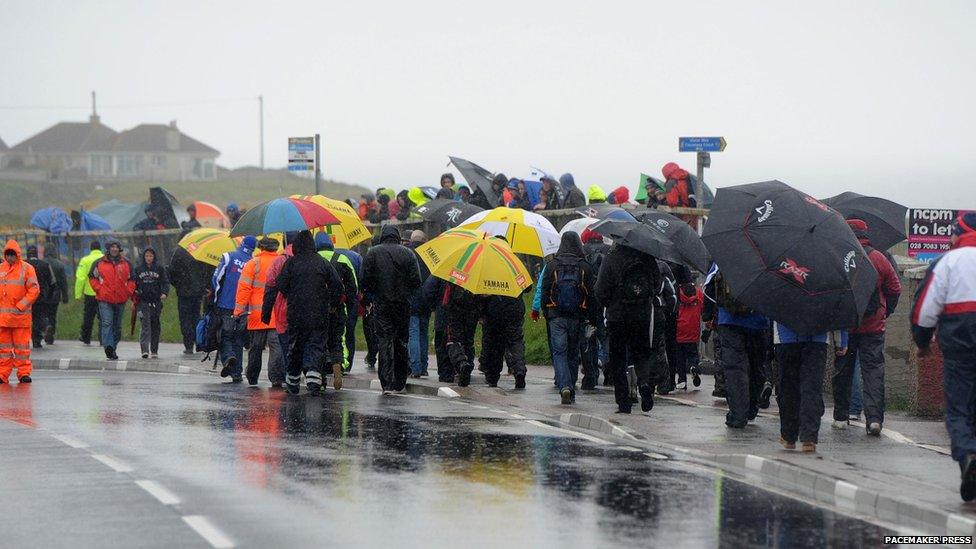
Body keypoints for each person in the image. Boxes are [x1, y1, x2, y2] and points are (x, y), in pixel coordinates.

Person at [912, 212, 976, 500]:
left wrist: (922, 342)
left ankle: (968, 454)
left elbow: (925, 310)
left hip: (960, 345)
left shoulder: (947, 262)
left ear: (959, 233)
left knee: (959, 408)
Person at [832, 218, 902, 436]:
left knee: (843, 371)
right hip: (873, 328)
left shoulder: (840, 256)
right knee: (873, 372)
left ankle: (841, 417)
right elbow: (895, 288)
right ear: (865, 234)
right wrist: (884, 311)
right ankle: (874, 420)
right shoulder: (878, 257)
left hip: (846, 326)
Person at [596, 241, 664, 413]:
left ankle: (623, 402)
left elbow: (600, 290)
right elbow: (657, 284)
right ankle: (644, 383)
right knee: (641, 354)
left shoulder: (611, 258)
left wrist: (609, 303)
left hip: (617, 316)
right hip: (641, 314)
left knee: (618, 359)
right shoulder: (646, 256)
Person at [275, 231, 343, 395]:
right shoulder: (322, 262)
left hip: (296, 313)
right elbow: (337, 285)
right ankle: (314, 381)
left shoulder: (291, 263)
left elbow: (281, 285)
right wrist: (332, 303)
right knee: (316, 345)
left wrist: (292, 291)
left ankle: (292, 382)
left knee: (296, 347)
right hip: (318, 313)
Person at [361, 225, 422, 393]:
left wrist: (371, 295)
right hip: (402, 304)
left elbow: (365, 279)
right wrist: (405, 293)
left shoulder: (373, 253)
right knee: (401, 341)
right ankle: (400, 380)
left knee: (385, 340)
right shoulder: (408, 254)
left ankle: (386, 381)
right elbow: (416, 280)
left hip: (382, 303)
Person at [541, 232, 596, 404]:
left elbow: (544, 292)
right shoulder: (585, 266)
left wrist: (546, 313)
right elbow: (592, 295)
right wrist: (591, 318)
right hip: (578, 316)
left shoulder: (552, 265)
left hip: (556, 316)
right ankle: (571, 387)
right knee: (573, 352)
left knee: (559, 352)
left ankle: (564, 386)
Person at [775, 323, 846, 453]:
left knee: (789, 388)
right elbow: (837, 308)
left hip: (787, 337)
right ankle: (809, 437)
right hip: (817, 339)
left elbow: (770, 307)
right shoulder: (822, 300)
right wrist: (841, 340)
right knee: (812, 389)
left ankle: (788, 436)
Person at [710, 272, 769, 428]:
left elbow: (710, 287)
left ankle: (738, 414)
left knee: (735, 368)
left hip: (729, 320)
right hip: (758, 320)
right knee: (756, 367)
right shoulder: (765, 256)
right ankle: (751, 408)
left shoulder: (725, 255)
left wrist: (709, 314)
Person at [235, 237, 285, 387]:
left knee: (256, 348)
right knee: (276, 348)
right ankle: (276, 377)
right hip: (276, 314)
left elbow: (244, 288)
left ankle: (252, 375)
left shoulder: (253, 264)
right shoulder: (282, 263)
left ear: (260, 248)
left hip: (257, 316)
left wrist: (238, 310)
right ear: (275, 248)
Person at [212, 235, 257, 382]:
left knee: (225, 336)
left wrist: (217, 298)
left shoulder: (227, 257)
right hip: (244, 308)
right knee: (238, 338)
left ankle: (228, 357)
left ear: (241, 244)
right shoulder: (253, 262)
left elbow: (216, 279)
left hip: (225, 304)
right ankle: (237, 372)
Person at [315, 233, 357, 387]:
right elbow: (353, 287)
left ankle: (320, 372)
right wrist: (350, 305)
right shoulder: (343, 259)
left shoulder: (314, 259)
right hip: (338, 308)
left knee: (319, 340)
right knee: (337, 339)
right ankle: (338, 364)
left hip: (318, 310)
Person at [0, 240, 40, 384]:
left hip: (20, 318)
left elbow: (34, 289)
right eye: (8, 255)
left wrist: (21, 306)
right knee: (3, 350)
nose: (10, 258)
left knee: (22, 349)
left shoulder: (27, 269)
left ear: (17, 255)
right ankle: (2, 373)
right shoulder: (1, 269)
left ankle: (23, 373)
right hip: (3, 319)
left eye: (12, 255)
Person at [88, 241, 135, 360]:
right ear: (108, 249)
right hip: (104, 299)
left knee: (117, 326)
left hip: (121, 299)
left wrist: (128, 291)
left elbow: (132, 279)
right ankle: (108, 346)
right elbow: (92, 277)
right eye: (112, 247)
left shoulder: (127, 263)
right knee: (107, 323)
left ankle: (112, 347)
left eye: (116, 247)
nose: (114, 249)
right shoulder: (98, 263)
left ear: (120, 249)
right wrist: (99, 289)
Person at [261, 232, 296, 387]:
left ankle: (289, 375)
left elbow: (270, 287)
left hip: (283, 312)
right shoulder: (309, 259)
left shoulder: (279, 261)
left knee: (285, 346)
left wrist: (266, 313)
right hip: (304, 311)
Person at [168, 246, 213, 354]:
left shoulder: (178, 252)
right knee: (196, 317)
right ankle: (199, 342)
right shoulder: (200, 251)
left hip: (183, 292)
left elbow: (171, 271)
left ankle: (188, 345)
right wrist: (204, 286)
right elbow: (206, 271)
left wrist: (178, 285)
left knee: (185, 319)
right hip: (197, 292)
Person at [580, 228, 610, 387]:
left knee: (588, 337)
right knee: (606, 337)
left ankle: (590, 376)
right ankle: (610, 371)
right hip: (605, 302)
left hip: (587, 303)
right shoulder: (608, 250)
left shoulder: (582, 251)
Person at [132, 247, 169, 359]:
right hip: (143, 301)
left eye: (151, 256)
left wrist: (165, 293)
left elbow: (165, 282)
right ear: (144, 257)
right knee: (145, 325)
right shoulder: (139, 269)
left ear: (154, 257)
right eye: (147, 256)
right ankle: (144, 349)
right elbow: (133, 282)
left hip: (156, 301)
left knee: (155, 325)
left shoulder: (159, 268)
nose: (149, 258)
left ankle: (154, 350)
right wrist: (135, 291)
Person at [406, 230, 431, 378]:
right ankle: (424, 366)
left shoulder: (407, 254)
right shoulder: (429, 254)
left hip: (412, 300)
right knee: (423, 333)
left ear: (411, 240)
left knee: (413, 333)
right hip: (426, 300)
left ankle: (415, 367)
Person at [334, 245, 363, 372]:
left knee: (335, 333)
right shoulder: (355, 257)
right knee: (349, 333)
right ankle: (347, 364)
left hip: (335, 302)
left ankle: (335, 360)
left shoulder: (328, 256)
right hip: (351, 302)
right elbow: (360, 280)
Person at [24, 245, 55, 348]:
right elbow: (52, 283)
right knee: (39, 317)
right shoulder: (45, 265)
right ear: (37, 253)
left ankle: (26, 341)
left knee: (26, 319)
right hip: (40, 296)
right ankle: (39, 336)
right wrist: (49, 296)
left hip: (25, 298)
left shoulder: (22, 265)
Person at [675, 281, 704, 390]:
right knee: (692, 354)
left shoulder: (678, 292)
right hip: (693, 329)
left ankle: (682, 380)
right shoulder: (698, 293)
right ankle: (693, 366)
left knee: (680, 358)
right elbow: (704, 309)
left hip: (679, 329)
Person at [75, 241, 103, 345]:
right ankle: (103, 339)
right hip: (103, 293)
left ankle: (86, 338)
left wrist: (78, 294)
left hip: (89, 293)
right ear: (100, 249)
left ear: (90, 249)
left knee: (88, 317)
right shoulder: (105, 259)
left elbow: (80, 278)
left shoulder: (85, 260)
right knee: (103, 317)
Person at [42, 248, 69, 344]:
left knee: (43, 314)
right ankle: (51, 334)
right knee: (53, 315)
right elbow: (63, 282)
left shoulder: (41, 263)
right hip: (55, 295)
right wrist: (65, 296)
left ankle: (45, 327)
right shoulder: (59, 264)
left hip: (43, 295)